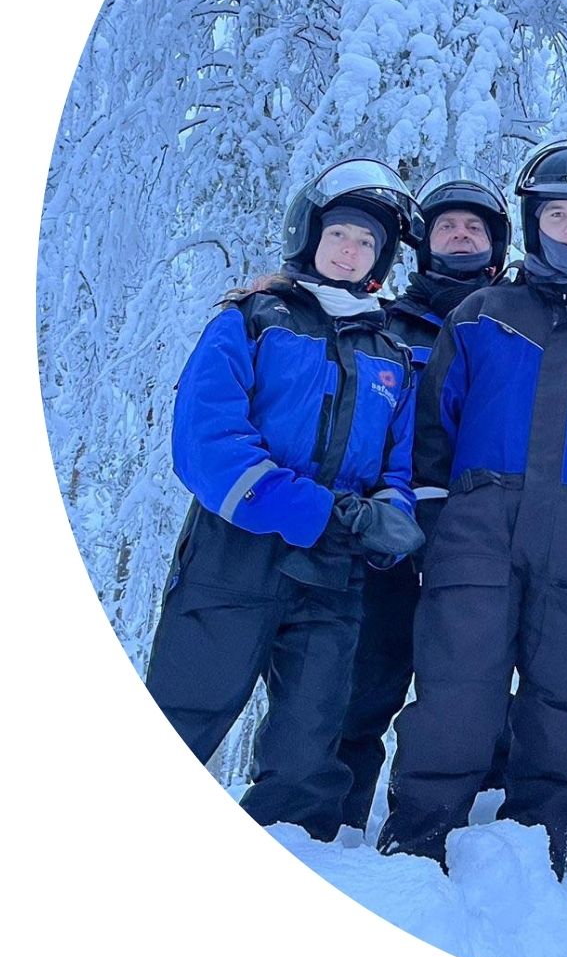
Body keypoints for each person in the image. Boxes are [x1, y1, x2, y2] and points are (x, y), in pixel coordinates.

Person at [378, 138, 567, 877]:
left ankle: (541, 845)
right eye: (556, 215)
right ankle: (417, 843)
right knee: (456, 691)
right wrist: (439, 532)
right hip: (479, 530)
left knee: (561, 698)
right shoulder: (482, 315)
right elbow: (432, 436)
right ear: (533, 222)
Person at [145, 159, 424, 841]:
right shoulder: (253, 319)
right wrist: (309, 508)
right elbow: (207, 441)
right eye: (341, 235)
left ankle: (287, 860)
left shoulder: (389, 351)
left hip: (331, 569)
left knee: (308, 750)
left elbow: (400, 462)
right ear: (311, 234)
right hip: (233, 555)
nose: (351, 250)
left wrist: (389, 516)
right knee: (183, 716)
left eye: (367, 243)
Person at [337, 164, 510, 833]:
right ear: (424, 243)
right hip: (389, 532)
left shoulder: (517, 328)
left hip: (480, 532)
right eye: (448, 227)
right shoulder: (384, 325)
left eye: (474, 228)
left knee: (478, 680)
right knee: (366, 677)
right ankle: (335, 824)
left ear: (496, 246)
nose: (461, 238)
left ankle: (486, 824)